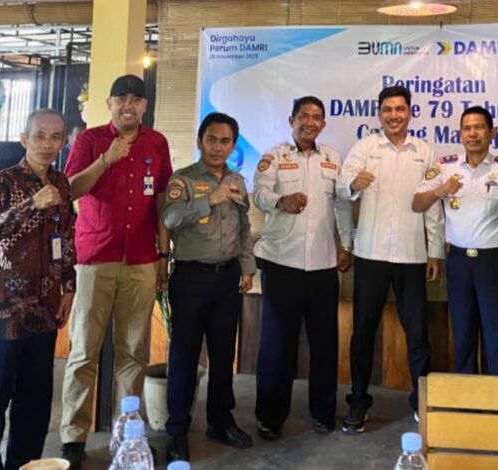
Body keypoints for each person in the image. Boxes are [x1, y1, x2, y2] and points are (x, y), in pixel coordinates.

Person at [59, 74, 172, 468]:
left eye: (136, 100)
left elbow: (161, 200)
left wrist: (163, 255)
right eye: (121, 98)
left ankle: (127, 435)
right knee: (83, 351)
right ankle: (73, 436)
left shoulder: (156, 143)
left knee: (133, 352)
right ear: (108, 104)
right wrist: (106, 159)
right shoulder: (90, 140)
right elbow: (70, 189)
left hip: (142, 260)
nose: (128, 105)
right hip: (95, 257)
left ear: (144, 106)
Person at [337, 86, 444, 434]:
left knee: (418, 334)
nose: (394, 115)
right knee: (363, 332)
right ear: (379, 113)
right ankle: (358, 400)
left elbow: (433, 203)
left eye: (400, 109)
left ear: (410, 112)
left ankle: (421, 402)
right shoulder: (365, 147)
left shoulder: (424, 151)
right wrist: (354, 183)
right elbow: (341, 187)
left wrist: (435, 250)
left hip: (412, 256)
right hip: (370, 254)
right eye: (387, 109)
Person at [0, 109, 76, 470]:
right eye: (40, 136)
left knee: (34, 400)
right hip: (3, 309)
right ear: (24, 139)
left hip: (44, 307)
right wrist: (31, 204)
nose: (47, 144)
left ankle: (26, 464)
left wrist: (68, 288)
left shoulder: (61, 183)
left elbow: (66, 237)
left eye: (55, 137)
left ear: (63, 142)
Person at [252, 96, 353, 439]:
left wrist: (346, 245)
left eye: (316, 117)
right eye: (304, 116)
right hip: (282, 261)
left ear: (323, 124)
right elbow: (259, 194)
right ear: (291, 120)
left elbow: (341, 206)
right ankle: (269, 416)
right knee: (277, 344)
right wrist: (281, 201)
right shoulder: (274, 156)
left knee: (325, 343)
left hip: (323, 264)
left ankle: (323, 413)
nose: (310, 122)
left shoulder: (332, 158)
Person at [162, 112, 256, 462]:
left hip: (227, 277)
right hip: (191, 278)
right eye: (212, 139)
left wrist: (247, 268)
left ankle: (220, 420)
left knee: (223, 353)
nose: (218, 147)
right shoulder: (183, 179)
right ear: (200, 141)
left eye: (225, 141)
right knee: (184, 356)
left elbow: (244, 228)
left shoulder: (237, 180)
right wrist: (208, 201)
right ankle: (177, 429)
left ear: (233, 145)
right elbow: (170, 219)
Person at [413, 106, 498, 376]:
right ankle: (466, 398)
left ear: (492, 133)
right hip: (459, 262)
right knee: (463, 334)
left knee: (497, 336)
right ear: (460, 133)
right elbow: (417, 204)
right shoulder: (445, 167)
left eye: (479, 128)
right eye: (467, 128)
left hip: (496, 262)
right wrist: (442, 190)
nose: (472, 134)